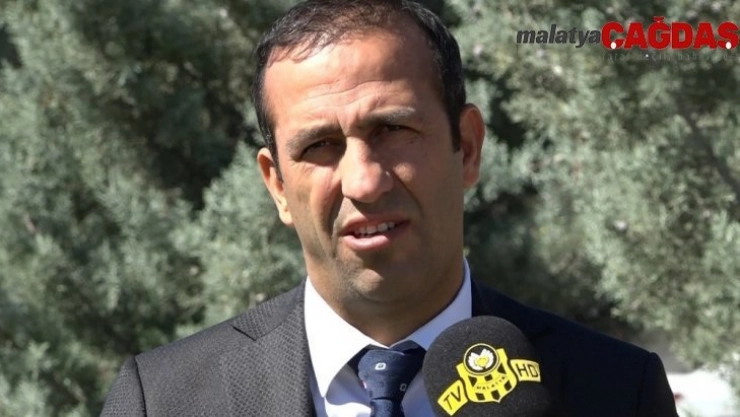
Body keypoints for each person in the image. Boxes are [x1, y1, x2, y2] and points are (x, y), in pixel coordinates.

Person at [100, 1, 679, 416]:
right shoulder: (165, 399)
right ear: (277, 185)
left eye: (393, 129)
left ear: (467, 148)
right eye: (319, 145)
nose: (365, 182)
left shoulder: (615, 390)